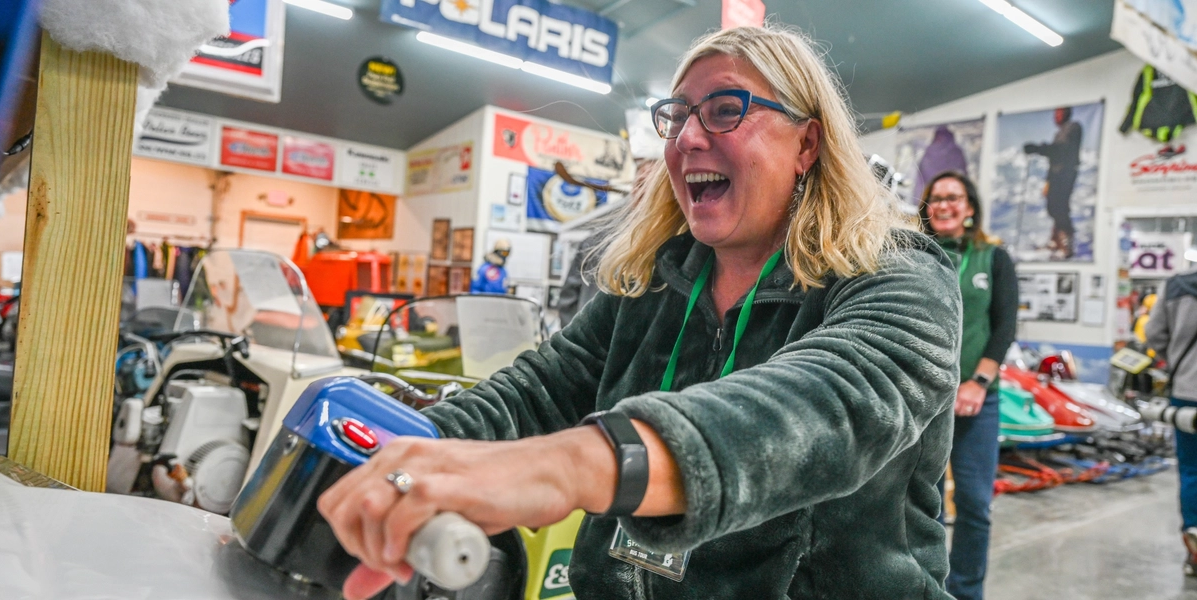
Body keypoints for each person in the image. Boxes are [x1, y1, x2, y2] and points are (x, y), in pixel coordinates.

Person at [318, 24, 962, 600]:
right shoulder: (656, 280)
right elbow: (538, 390)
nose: (685, 137)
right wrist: (397, 458)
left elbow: (828, 407)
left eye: (724, 110)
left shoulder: (900, 275)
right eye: (676, 116)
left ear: (807, 144)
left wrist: (571, 465)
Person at [918, 171, 1018, 600]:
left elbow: (1005, 326)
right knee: (924, 508)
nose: (943, 205)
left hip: (979, 401)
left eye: (953, 198)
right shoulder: (913, 255)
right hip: (923, 403)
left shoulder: (993, 258)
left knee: (975, 504)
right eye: (935, 198)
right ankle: (927, 588)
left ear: (970, 207)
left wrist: (978, 382)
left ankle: (967, 592)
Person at [1145, 269, 1197, 575]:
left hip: (1187, 392)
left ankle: (1194, 545)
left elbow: (1154, 334)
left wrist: (1178, 358)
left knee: (1191, 469)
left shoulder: (1176, 286)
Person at [1023, 107, 1082, 259]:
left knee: (1059, 207)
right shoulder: (1060, 132)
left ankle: (1066, 244)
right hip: (1056, 175)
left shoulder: (1073, 128)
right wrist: (1048, 181)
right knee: (1054, 207)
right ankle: (1056, 241)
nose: (1056, 116)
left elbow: (1060, 151)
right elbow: (1055, 155)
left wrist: (1038, 149)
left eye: (1059, 113)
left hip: (1065, 174)